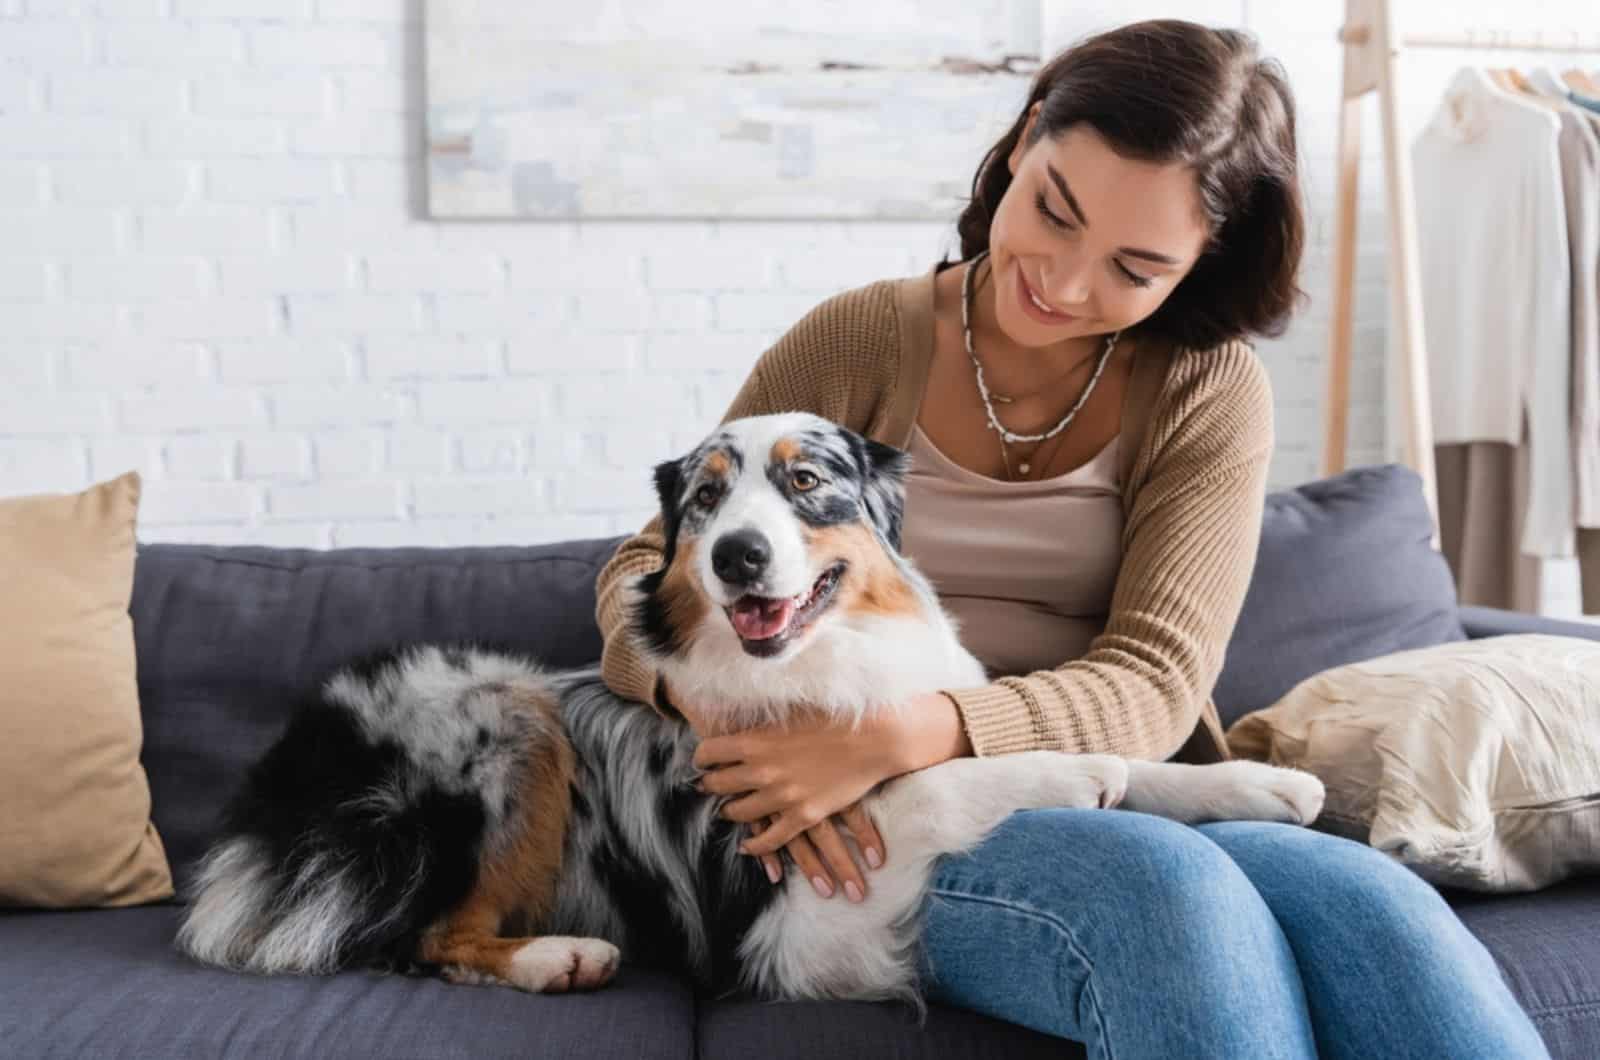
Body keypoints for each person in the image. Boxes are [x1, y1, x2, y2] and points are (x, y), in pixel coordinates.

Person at [592, 18, 1551, 1060]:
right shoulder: (860, 338)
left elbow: (1157, 678)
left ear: (1199, 266)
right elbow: (647, 567)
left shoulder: (1207, 390)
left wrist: (911, 728)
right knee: (1170, 902)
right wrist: (726, 710)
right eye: (1053, 210)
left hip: (1120, 779)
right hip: (905, 818)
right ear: (1022, 138)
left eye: (1134, 267)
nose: (1062, 280)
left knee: (1380, 915)